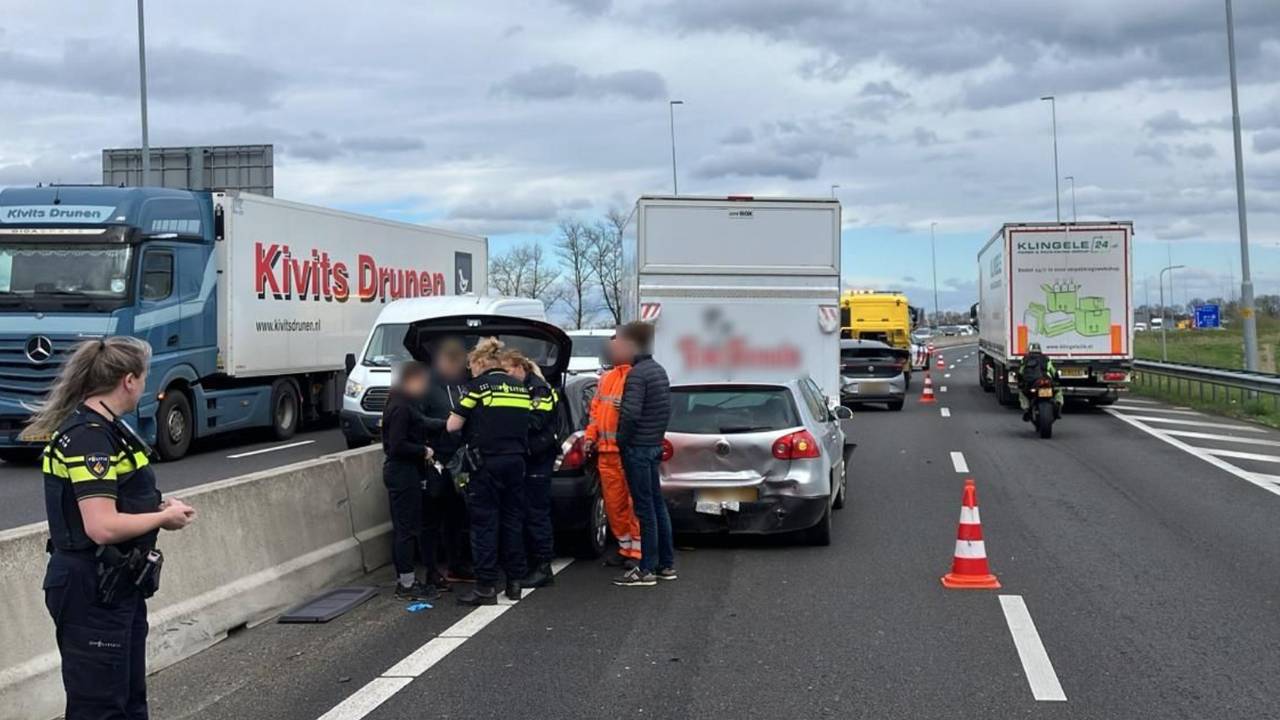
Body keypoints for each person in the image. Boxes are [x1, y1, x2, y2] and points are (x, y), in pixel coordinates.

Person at [24, 337, 197, 719]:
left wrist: (157, 506)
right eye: (145, 378)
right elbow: (101, 526)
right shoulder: (89, 439)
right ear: (129, 380)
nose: (146, 387)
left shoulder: (110, 428)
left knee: (129, 703)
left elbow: (120, 498)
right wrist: (163, 518)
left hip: (117, 583)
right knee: (100, 709)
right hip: (91, 586)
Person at [447, 339, 532, 605]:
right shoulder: (520, 388)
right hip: (517, 462)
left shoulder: (478, 387)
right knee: (512, 522)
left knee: (484, 525)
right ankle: (514, 582)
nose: (470, 370)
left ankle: (485, 587)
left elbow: (452, 425)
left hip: (486, 463)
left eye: (471, 365)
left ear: (481, 362)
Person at [612, 322, 676, 587]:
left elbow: (631, 414)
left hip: (637, 447)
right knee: (657, 506)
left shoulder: (637, 375)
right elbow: (661, 410)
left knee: (644, 509)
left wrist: (621, 441)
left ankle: (646, 568)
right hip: (652, 444)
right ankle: (666, 564)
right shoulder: (658, 371)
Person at [381, 361, 443, 599]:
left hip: (404, 472)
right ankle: (406, 584)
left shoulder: (403, 403)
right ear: (412, 380)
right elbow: (397, 445)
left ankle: (405, 579)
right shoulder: (401, 407)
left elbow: (423, 423)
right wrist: (423, 451)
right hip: (402, 472)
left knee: (405, 528)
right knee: (406, 530)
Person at [501, 349, 559, 589]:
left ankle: (543, 567)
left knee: (536, 514)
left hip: (538, 458)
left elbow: (536, 422)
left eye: (506, 370)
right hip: (526, 458)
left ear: (520, 367)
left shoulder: (539, 390)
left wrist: (507, 420)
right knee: (523, 513)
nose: (504, 376)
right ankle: (528, 563)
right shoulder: (522, 388)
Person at [583, 336, 642, 568]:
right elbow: (596, 411)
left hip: (627, 451)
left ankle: (637, 552)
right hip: (606, 453)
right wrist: (590, 437)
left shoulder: (635, 377)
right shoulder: (606, 378)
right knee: (614, 505)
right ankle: (624, 548)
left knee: (633, 504)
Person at [421, 337, 474, 583]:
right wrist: (445, 426)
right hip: (435, 460)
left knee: (457, 514)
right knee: (431, 517)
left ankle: (456, 564)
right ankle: (432, 569)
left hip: (459, 461)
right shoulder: (427, 386)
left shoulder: (462, 385)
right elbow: (416, 420)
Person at [1017, 342, 1062, 420]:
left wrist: (1020, 381)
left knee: (1022, 393)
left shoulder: (1025, 359)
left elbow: (1021, 372)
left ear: (1029, 350)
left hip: (1031, 383)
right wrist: (1056, 379)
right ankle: (1058, 405)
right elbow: (1053, 371)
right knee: (1058, 391)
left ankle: (1026, 409)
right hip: (1045, 380)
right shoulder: (1046, 359)